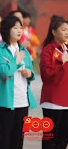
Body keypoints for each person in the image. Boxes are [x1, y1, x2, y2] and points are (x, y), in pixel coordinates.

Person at [0, 15, 37, 149]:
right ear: (6, 30)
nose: (19, 30)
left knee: (18, 140)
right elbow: (5, 71)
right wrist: (16, 61)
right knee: (4, 140)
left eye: (20, 28)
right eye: (15, 27)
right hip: (5, 103)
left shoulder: (24, 51)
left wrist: (30, 73)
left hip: (22, 101)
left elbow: (31, 72)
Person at [39, 15, 68, 149]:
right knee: (50, 141)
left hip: (66, 102)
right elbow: (46, 74)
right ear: (54, 32)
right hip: (53, 102)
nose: (67, 33)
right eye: (63, 30)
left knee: (63, 141)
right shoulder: (48, 50)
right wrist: (62, 61)